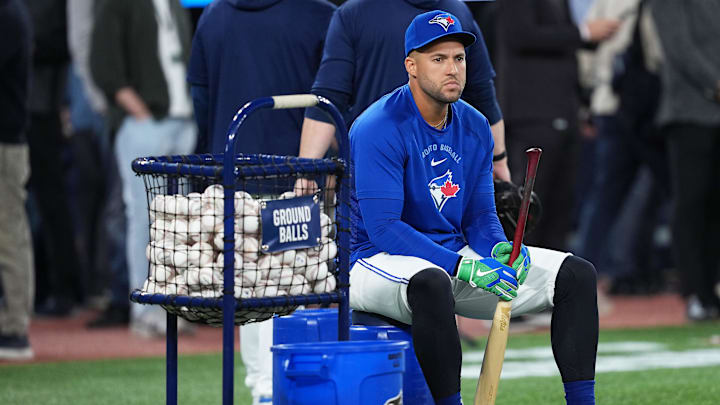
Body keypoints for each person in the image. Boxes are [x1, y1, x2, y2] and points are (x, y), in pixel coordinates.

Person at [348, 11, 599, 404]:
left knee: (576, 276)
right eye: (439, 59)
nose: (453, 69)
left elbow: (480, 216)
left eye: (459, 59)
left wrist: (497, 248)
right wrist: (462, 266)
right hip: (373, 262)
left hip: (448, 259)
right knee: (431, 282)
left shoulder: (475, 124)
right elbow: (383, 228)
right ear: (410, 66)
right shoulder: (377, 125)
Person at [186, 1, 336, 403]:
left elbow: (199, 98)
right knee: (302, 289)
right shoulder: (320, 15)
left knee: (250, 295)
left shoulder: (213, 15)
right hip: (297, 180)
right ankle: (291, 390)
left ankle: (265, 392)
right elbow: (335, 99)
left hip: (228, 177)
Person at [295, 0, 511, 199]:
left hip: (380, 172)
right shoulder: (457, 11)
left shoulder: (355, 12)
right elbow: (483, 96)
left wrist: (306, 171)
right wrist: (498, 159)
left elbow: (326, 100)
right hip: (440, 170)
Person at [91, 0, 197, 337]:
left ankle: (172, 305)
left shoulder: (175, 5)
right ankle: (146, 309)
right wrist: (139, 111)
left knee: (177, 221)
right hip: (146, 123)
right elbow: (103, 65)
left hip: (182, 122)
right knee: (144, 217)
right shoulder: (117, 4)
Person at [496, 0, 620, 250]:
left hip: (564, 110)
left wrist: (582, 104)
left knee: (560, 205)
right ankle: (521, 277)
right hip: (533, 113)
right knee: (530, 205)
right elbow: (520, 34)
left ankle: (554, 280)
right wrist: (583, 33)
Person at [652, 0, 720, 320]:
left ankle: (715, 289)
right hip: (689, 112)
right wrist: (716, 84)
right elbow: (678, 46)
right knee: (692, 202)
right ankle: (696, 292)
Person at [0, 0, 34, 361]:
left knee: (9, 235)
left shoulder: (8, 15)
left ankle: (15, 328)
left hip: (6, 145)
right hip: (8, 143)